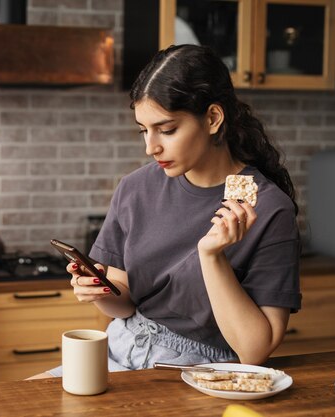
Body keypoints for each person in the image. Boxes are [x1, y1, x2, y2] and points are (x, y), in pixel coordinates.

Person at [38, 44, 301, 378]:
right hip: (117, 349)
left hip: (196, 373)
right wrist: (97, 290)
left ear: (212, 118)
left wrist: (212, 257)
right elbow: (125, 304)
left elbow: (254, 349)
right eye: (143, 130)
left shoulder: (265, 207)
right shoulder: (135, 187)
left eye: (167, 129)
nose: (151, 147)